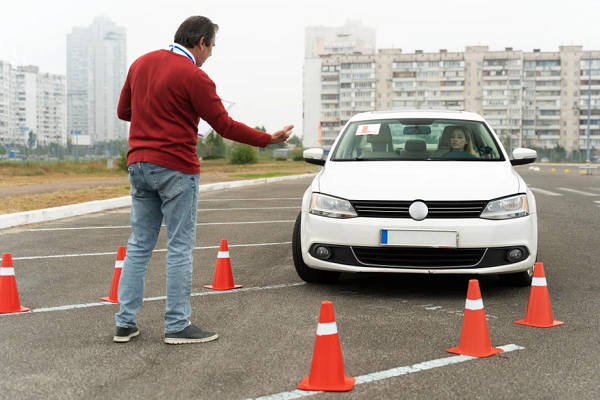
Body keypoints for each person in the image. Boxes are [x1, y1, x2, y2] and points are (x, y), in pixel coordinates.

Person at [113, 15, 292, 344]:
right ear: (200, 43)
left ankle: (125, 323)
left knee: (139, 246)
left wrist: (157, 112)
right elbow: (225, 126)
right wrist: (269, 139)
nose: (210, 54)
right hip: (175, 167)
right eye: (211, 48)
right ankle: (177, 325)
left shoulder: (140, 64)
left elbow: (125, 112)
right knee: (179, 248)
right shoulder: (195, 76)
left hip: (138, 165)